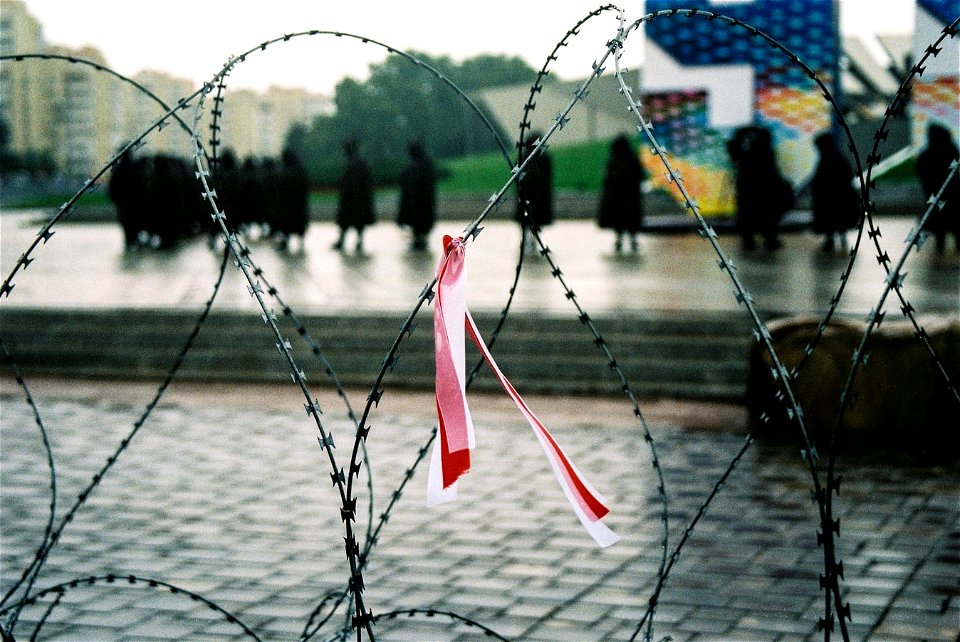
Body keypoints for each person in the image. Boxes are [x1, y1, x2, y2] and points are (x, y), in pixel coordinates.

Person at [726, 125, 794, 252]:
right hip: (764, 190)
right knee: (767, 214)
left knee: (748, 214)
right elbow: (772, 172)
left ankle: (751, 239)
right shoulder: (765, 153)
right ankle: (767, 238)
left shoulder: (748, 154)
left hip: (749, 189)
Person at [810, 132, 860, 253]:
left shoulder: (826, 160)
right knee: (839, 219)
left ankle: (830, 239)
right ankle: (841, 237)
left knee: (830, 219)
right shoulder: (839, 158)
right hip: (840, 196)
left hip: (828, 197)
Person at [597, 134, 646, 254]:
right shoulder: (633, 159)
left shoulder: (613, 160)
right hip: (631, 198)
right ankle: (632, 240)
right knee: (631, 221)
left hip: (617, 198)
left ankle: (619, 240)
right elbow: (639, 176)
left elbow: (608, 179)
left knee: (618, 221)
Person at [915, 123, 960, 254]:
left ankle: (941, 246)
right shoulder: (951, 149)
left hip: (936, 194)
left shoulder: (928, 153)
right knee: (955, 223)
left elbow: (921, 169)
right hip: (953, 194)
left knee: (940, 224)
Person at [333, 138, 376, 253]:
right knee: (358, 223)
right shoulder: (361, 163)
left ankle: (343, 241)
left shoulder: (351, 164)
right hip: (360, 199)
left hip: (351, 199)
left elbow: (345, 182)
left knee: (346, 222)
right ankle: (357, 241)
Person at [515, 131, 554, 253]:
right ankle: (531, 239)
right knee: (534, 221)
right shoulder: (543, 157)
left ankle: (528, 240)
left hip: (528, 196)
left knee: (527, 221)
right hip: (538, 197)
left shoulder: (523, 157)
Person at [396, 141, 437, 251]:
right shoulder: (426, 165)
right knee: (421, 221)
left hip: (416, 202)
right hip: (423, 201)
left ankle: (419, 238)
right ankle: (420, 238)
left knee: (417, 221)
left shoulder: (411, 167)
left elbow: (404, 182)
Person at [108, 148, 145, 250]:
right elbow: (141, 188)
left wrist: (118, 200)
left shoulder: (118, 170)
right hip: (134, 206)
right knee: (135, 226)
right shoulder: (135, 169)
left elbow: (112, 189)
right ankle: (134, 243)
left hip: (123, 206)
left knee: (127, 228)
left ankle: (129, 244)